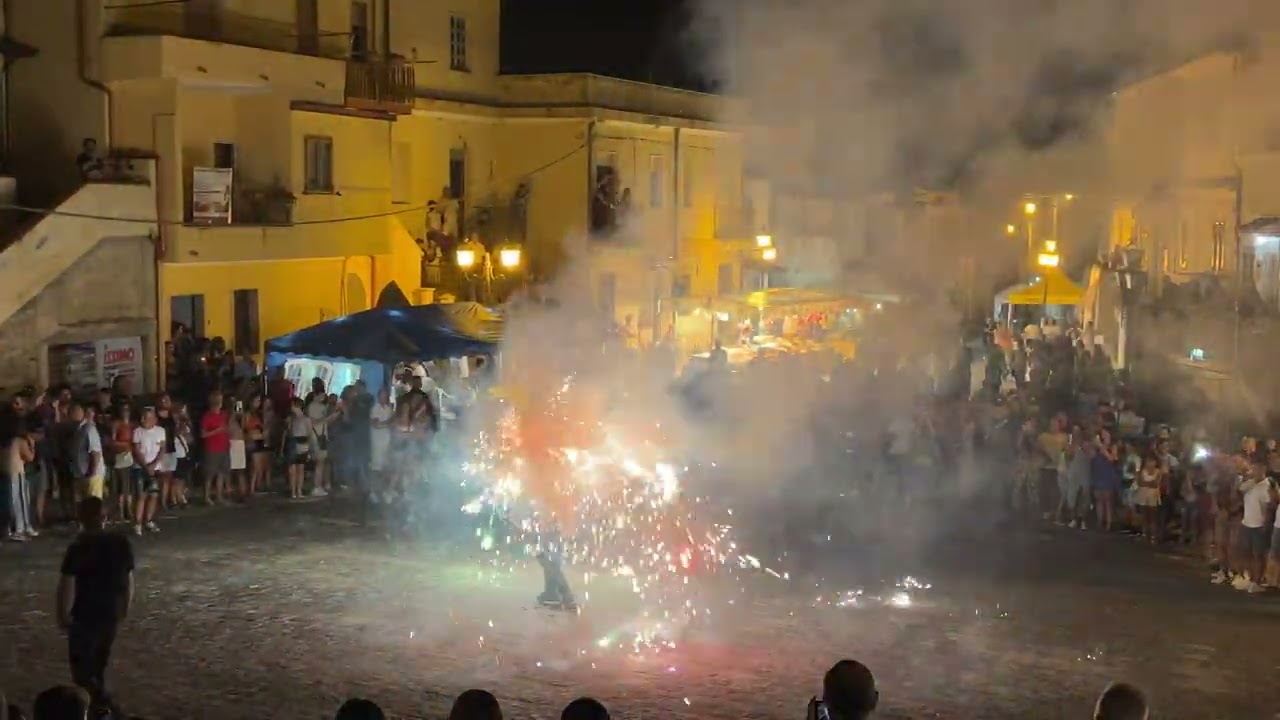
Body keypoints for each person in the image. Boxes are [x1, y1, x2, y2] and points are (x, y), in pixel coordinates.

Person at [56, 497, 133, 715]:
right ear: (105, 517)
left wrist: (63, 614)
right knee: (100, 662)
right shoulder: (121, 544)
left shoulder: (78, 548)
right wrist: (125, 606)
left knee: (83, 670)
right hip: (110, 612)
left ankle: (100, 708)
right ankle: (101, 705)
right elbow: (128, 581)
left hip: (84, 615)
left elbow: (68, 584)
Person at [1235, 468, 1272, 593]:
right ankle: (1251, 579)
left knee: (1259, 555)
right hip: (1247, 523)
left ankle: (1257, 581)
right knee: (1248, 553)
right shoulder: (1249, 484)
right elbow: (1238, 492)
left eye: (1258, 469)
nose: (1255, 472)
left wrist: (1265, 525)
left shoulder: (1267, 486)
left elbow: (1269, 508)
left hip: (1259, 525)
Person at [130, 408, 166, 535]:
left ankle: (149, 520)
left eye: (147, 418)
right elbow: (137, 451)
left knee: (154, 495)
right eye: (142, 417)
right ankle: (138, 523)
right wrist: (146, 466)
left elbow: (162, 449)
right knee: (141, 496)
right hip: (140, 468)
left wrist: (154, 464)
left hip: (155, 468)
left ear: (154, 419)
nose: (143, 420)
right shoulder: (137, 432)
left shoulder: (160, 431)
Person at [7, 421, 36, 541]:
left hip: (5, 473)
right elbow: (29, 457)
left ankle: (10, 529)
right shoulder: (19, 441)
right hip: (16, 473)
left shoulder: (5, 441)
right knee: (20, 502)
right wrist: (32, 446)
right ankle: (21, 528)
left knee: (8, 502)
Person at [201, 390, 231, 505]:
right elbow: (203, 434)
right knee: (210, 474)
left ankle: (219, 496)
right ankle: (207, 496)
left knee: (221, 473)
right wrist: (216, 431)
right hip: (212, 449)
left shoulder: (223, 414)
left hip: (224, 447)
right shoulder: (207, 416)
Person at [71, 405, 104, 503]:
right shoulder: (78, 429)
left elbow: (95, 453)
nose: (70, 414)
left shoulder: (89, 429)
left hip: (91, 476)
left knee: (93, 504)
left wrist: (92, 473)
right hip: (81, 474)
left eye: (74, 411)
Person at [109, 405, 135, 524]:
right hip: (120, 457)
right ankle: (120, 512)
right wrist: (125, 445)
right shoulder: (117, 424)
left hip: (131, 457)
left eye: (127, 410)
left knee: (129, 487)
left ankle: (128, 510)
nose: (125, 412)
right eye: (123, 410)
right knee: (121, 487)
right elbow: (112, 442)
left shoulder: (132, 425)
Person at [285, 399, 312, 500]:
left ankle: (299, 490)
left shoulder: (306, 419)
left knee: (300, 468)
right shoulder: (291, 419)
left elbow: (309, 433)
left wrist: (308, 447)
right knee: (293, 469)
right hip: (293, 442)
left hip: (302, 442)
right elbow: (288, 432)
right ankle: (293, 491)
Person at [245, 395, 270, 496]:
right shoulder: (247, 414)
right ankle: (251, 488)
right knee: (254, 466)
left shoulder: (258, 414)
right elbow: (245, 427)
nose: (258, 403)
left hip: (260, 439)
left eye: (259, 401)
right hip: (253, 440)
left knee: (260, 466)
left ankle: (257, 486)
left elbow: (263, 427)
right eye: (256, 400)